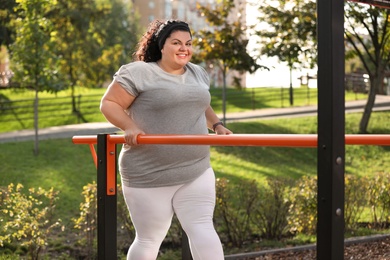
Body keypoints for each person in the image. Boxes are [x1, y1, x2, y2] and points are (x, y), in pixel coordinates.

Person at [100, 19, 232, 260]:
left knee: (202, 227)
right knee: (150, 239)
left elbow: (201, 104)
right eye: (177, 43)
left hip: (196, 168)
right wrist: (129, 126)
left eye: (189, 43)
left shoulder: (197, 73)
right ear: (162, 46)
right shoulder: (139, 72)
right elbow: (109, 104)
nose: (184, 48)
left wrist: (217, 124)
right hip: (149, 171)